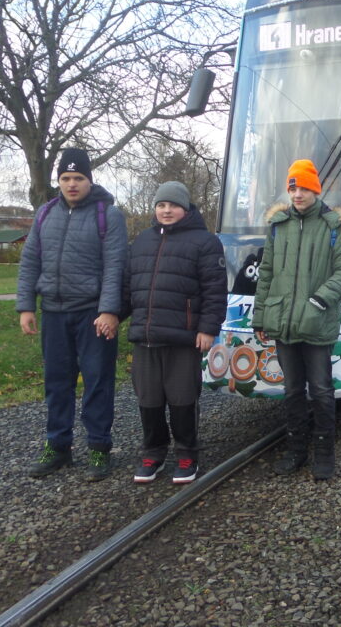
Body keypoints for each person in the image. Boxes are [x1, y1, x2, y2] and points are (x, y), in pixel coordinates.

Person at [17, 147, 128, 480]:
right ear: (59, 181)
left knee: (97, 382)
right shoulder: (45, 214)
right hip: (53, 312)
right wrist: (25, 306)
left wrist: (109, 311)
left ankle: (98, 448)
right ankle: (58, 446)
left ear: (89, 180)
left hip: (92, 314)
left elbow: (115, 268)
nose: (71, 184)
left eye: (78, 177)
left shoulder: (108, 215)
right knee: (56, 383)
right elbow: (30, 262)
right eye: (65, 178)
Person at [252, 159, 341, 480]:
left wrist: (319, 299)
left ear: (316, 188)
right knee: (293, 390)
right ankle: (296, 450)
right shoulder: (279, 225)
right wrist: (260, 317)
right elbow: (266, 272)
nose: (297, 194)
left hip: (316, 322)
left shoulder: (335, 226)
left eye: (304, 188)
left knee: (322, 390)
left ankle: (324, 454)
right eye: (293, 187)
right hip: (283, 323)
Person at [122, 181, 226, 484]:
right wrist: (112, 315)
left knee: (182, 398)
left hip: (184, 337)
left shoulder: (205, 242)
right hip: (146, 336)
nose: (166, 211)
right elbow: (128, 287)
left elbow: (215, 291)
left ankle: (186, 454)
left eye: (173, 205)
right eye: (161, 205)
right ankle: (153, 453)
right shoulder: (141, 241)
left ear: (185, 208)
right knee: (149, 399)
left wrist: (208, 328)